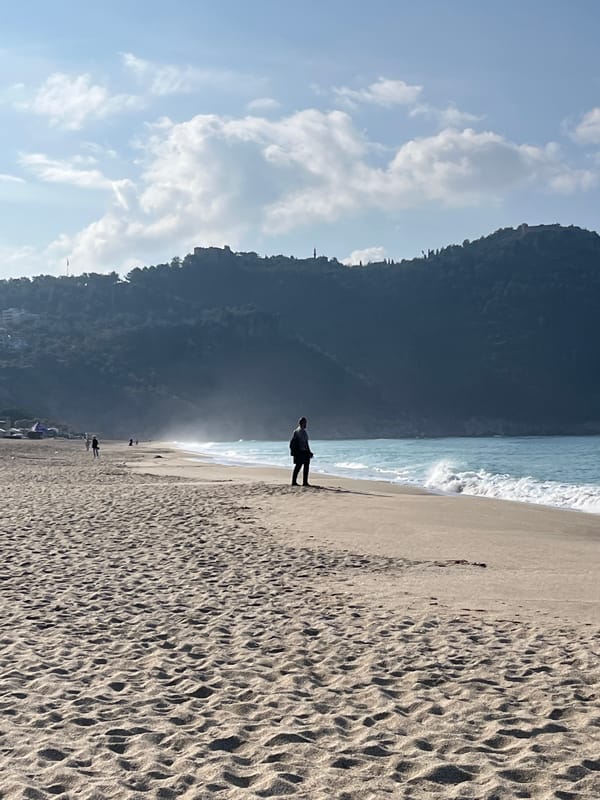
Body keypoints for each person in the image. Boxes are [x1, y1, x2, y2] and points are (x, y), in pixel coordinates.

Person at [289, 417, 313, 486]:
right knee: (304, 467)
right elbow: (304, 443)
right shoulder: (301, 431)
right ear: (302, 423)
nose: (306, 424)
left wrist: (309, 451)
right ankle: (304, 482)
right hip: (301, 452)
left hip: (299, 452)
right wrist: (308, 452)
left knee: (298, 466)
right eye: (305, 423)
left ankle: (294, 481)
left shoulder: (296, 431)